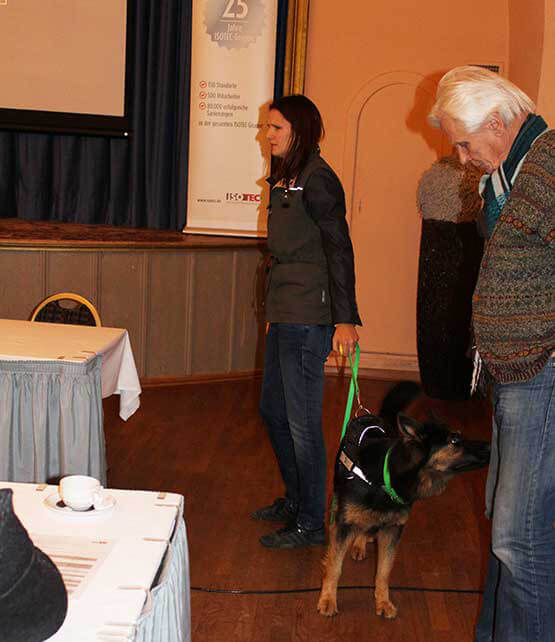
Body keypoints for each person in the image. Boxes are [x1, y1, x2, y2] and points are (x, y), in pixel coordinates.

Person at [428, 66, 555, 642]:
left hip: (544, 371)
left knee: (518, 536)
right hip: (513, 374)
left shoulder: (549, 164)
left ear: (499, 122)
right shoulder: (508, 174)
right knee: (506, 527)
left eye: (464, 140)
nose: (460, 155)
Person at [253, 94, 361, 549]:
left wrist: (346, 321)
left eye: (276, 127)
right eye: (267, 127)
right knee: (273, 412)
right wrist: (273, 315)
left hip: (310, 318)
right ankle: (297, 501)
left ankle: (312, 523)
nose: (267, 135)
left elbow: (340, 249)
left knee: (301, 424)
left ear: (299, 131)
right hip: (286, 313)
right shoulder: (286, 179)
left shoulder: (319, 180)